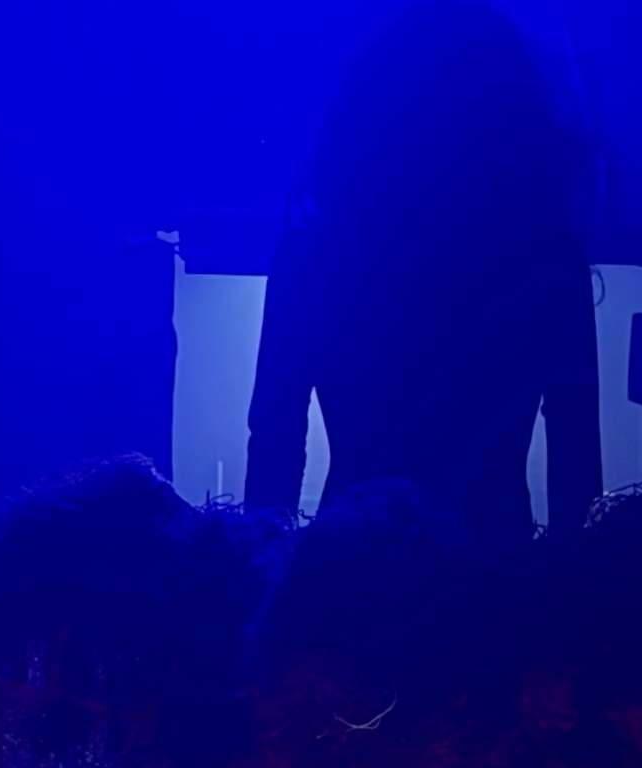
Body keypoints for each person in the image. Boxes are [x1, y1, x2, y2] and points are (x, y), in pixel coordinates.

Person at [244, 1, 605, 537]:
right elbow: (577, 471)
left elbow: (274, 444)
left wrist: (266, 570)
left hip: (352, 566)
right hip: (492, 566)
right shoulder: (546, 261)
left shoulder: (315, 254)